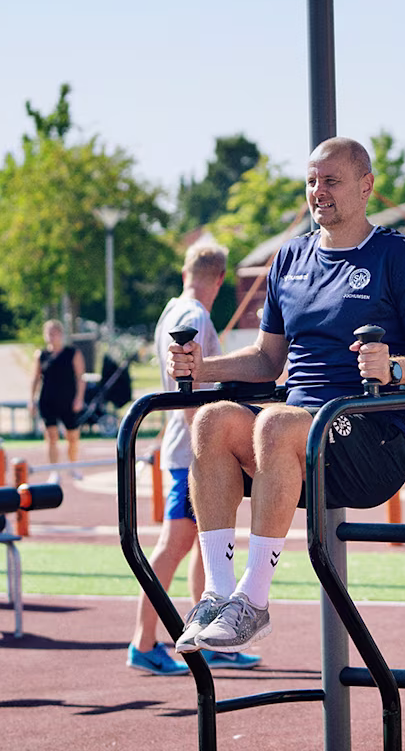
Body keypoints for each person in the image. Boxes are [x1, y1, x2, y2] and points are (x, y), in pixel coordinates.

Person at [166, 137, 405, 657]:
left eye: (332, 181)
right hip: (296, 437)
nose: (319, 192)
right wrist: (203, 367)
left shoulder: (395, 255)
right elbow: (266, 360)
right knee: (210, 420)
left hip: (370, 437)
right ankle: (218, 593)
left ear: (366, 187)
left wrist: (393, 367)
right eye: (312, 181)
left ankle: (254, 601)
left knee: (274, 422)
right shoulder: (290, 257)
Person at [127, 239, 260, 674]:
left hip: (184, 446)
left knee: (207, 547)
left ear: (186, 271)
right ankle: (144, 642)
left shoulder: (172, 311)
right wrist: (209, 445)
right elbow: (189, 393)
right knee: (178, 545)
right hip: (193, 451)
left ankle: (208, 639)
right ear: (220, 279)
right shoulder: (196, 317)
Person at [30, 319, 86, 477]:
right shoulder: (41, 355)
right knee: (51, 436)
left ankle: (73, 466)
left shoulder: (72, 353)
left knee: (72, 436)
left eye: (54, 333)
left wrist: (79, 399)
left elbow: (80, 377)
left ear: (61, 334)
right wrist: (32, 399)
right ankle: (54, 471)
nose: (51, 337)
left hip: (68, 400)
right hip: (47, 400)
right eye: (48, 333)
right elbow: (35, 378)